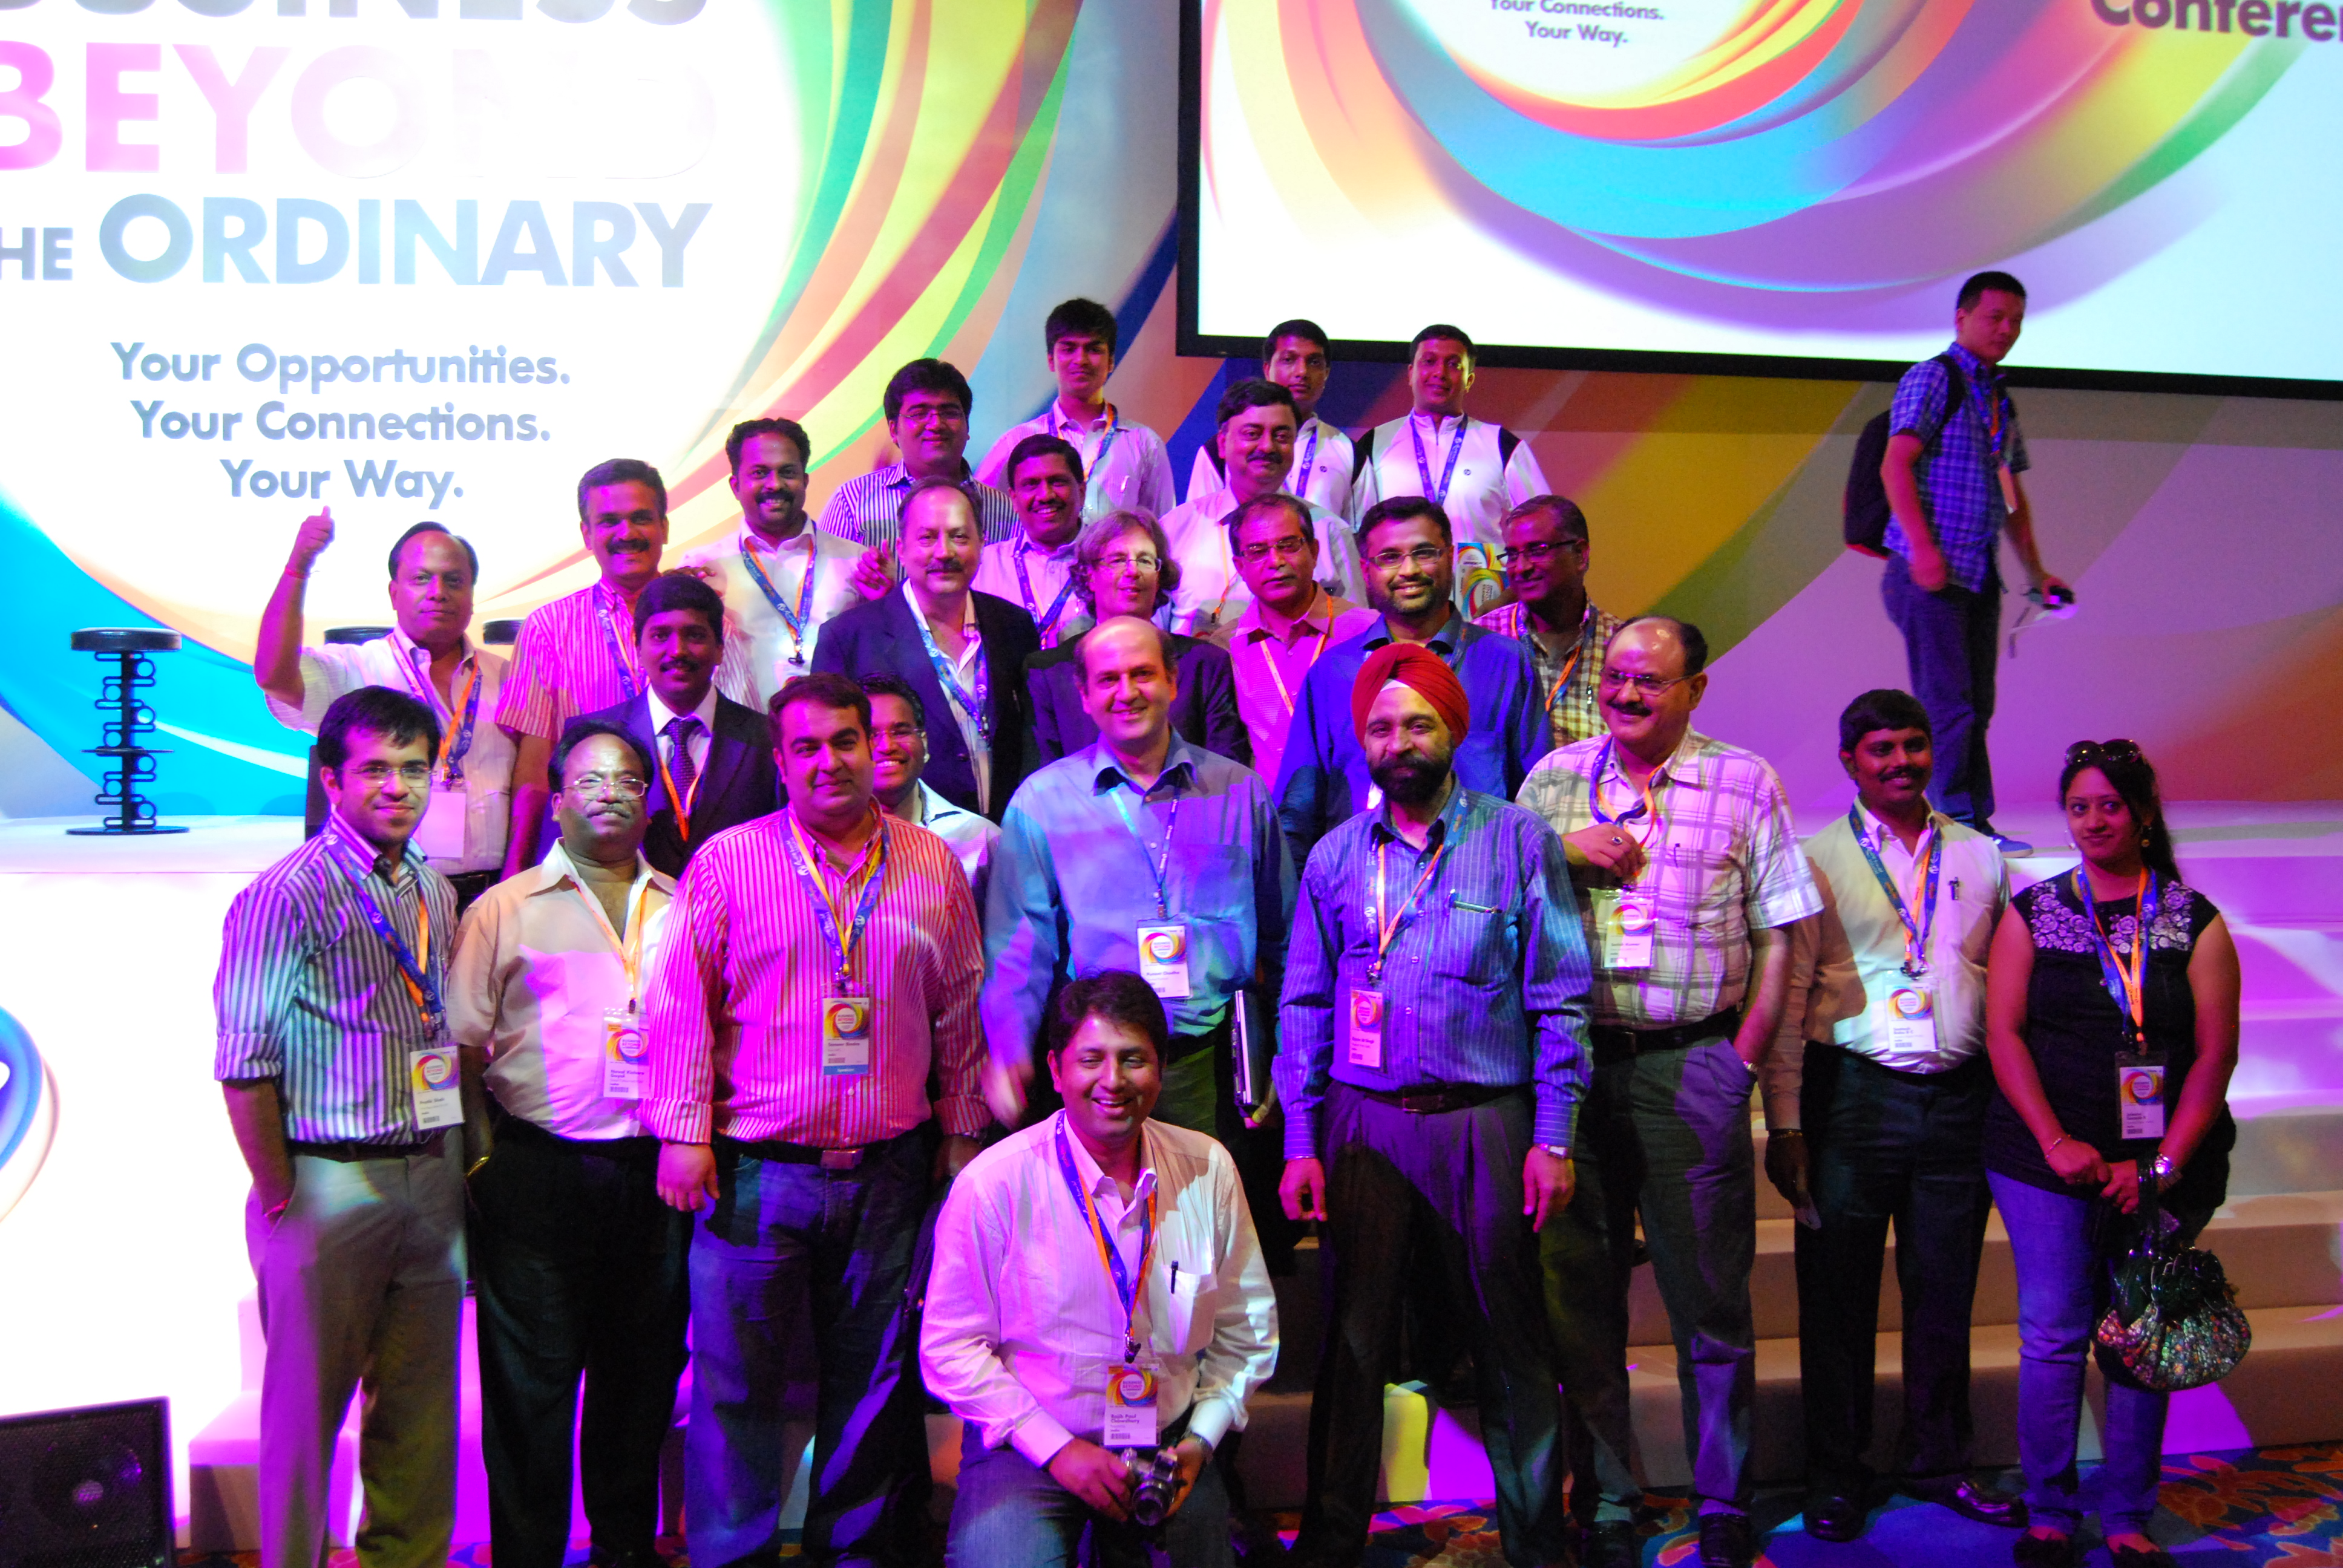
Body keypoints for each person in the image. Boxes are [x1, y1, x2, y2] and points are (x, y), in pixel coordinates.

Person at [640, 671, 990, 1567]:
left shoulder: (931, 863)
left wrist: (961, 1128)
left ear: (874, 748)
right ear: (781, 760)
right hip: (756, 1172)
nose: (829, 762)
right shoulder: (728, 862)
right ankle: (733, 1557)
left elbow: (960, 1003)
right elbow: (679, 1003)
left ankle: (857, 1556)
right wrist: (682, 1131)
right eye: (807, 747)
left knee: (872, 1386)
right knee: (736, 1389)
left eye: (845, 741)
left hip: (889, 1172)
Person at [1513, 616, 1821, 1568]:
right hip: (1571, 1073)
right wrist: (1562, 851)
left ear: (1696, 688)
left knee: (1711, 1301)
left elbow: (1779, 933)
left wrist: (1744, 1060)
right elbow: (1506, 904)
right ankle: (1609, 1498)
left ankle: (1723, 1498)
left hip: (1692, 1068)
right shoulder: (1552, 782)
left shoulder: (1745, 780)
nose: (1627, 694)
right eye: (1617, 677)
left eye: (1651, 680)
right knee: (1582, 1305)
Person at [1274, 643, 1589, 1568]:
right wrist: (1301, 1141)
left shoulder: (1518, 839)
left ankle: (1537, 1545)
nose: (1399, 742)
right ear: (1361, 743)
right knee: (1353, 1346)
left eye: (1418, 724)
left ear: (1453, 730)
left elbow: (1560, 995)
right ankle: (1330, 1546)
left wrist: (1555, 1136)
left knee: (1511, 1344)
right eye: (1381, 728)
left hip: (1484, 1122)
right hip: (1363, 1124)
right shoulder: (1335, 856)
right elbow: (1304, 1005)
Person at [1760, 690, 2021, 1543]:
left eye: (1914, 745)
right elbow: (1789, 1000)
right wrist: (1786, 1124)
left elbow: (2001, 986)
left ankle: (1939, 1461)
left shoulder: (1981, 855)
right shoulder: (1815, 860)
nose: (1901, 762)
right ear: (1849, 761)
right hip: (1851, 1097)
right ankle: (1837, 1474)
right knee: (1836, 1297)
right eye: (1882, 749)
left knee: (1943, 1292)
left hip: (1957, 1099)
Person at [214, 685, 466, 1568]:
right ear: (330, 778)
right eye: (375, 770)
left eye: (414, 769)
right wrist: (284, 1195)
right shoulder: (283, 895)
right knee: (303, 1418)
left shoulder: (432, 888)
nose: (397, 787)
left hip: (428, 1170)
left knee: (420, 1417)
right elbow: (244, 1064)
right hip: (324, 1179)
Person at [1982, 740, 2239, 1568]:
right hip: (2044, 1162)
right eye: (2079, 807)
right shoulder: (2034, 911)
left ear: (2143, 814)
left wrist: (2159, 1170)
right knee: (2053, 1333)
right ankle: (2049, 1514)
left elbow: (2215, 1056)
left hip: (2161, 1169)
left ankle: (2128, 1514)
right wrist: (2056, 1142)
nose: (2093, 821)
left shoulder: (2193, 919)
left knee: (2140, 1331)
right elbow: (2003, 1034)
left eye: (2110, 806)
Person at [924, 971, 1279, 1568]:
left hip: (1166, 1444)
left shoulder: (1207, 1169)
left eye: (1132, 1059)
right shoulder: (994, 1183)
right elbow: (949, 1347)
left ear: (1161, 1069)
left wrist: (1200, 1441)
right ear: (1056, 1069)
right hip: (1029, 1444)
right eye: (1091, 1060)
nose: (1113, 1081)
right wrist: (1058, 1451)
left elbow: (1247, 1332)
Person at [448, 718, 687, 1568]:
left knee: (639, 1383)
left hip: (653, 1176)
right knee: (530, 1392)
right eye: (589, 780)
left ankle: (623, 1551)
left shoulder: (685, 906)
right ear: (556, 803)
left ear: (648, 802)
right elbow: (460, 1050)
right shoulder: (504, 909)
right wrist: (481, 1162)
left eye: (627, 781)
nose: (609, 795)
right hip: (536, 1171)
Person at [986, 613, 1296, 1249]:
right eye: (1108, 680)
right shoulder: (1043, 802)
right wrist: (1009, 1048)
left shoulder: (1238, 792)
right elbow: (1020, 948)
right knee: (1107, 1249)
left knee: (1206, 1251)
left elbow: (1285, 941)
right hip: (1101, 1076)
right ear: (1083, 695)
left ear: (1172, 681)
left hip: (1211, 1068)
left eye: (1142, 674)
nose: (1126, 692)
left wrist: (1289, 1063)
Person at [1880, 271, 2071, 851]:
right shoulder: (1934, 377)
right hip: (1931, 572)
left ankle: (1970, 825)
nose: (2007, 329)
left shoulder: (1996, 395)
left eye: (2017, 320)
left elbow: (2010, 495)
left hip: (1978, 571)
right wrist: (1923, 549)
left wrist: (2036, 574)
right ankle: (1960, 828)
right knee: (1949, 707)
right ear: (1961, 318)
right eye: (1995, 317)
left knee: (1975, 706)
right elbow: (1895, 463)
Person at [1273, 495, 1549, 873]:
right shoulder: (1334, 672)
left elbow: (1537, 797)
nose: (1409, 570)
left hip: (1480, 880)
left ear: (1450, 556)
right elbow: (1298, 810)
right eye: (1389, 557)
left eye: (1424, 553)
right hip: (1360, 886)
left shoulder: (1504, 662)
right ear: (1366, 569)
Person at [256, 512, 514, 910]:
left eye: (454, 580)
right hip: (385, 896)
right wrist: (298, 568)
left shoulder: (509, 678)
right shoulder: (353, 669)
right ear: (394, 594)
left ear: (471, 594)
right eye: (421, 579)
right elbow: (274, 676)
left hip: (493, 895)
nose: (438, 592)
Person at [813, 476, 1043, 822]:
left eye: (959, 536)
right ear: (902, 548)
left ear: (982, 543)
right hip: (901, 838)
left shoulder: (1013, 625)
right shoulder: (848, 638)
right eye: (927, 538)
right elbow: (829, 755)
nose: (944, 552)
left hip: (1008, 830)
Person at [498, 459, 673, 875]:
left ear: (664, 527)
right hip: (587, 852)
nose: (627, 534)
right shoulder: (548, 629)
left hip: (690, 841)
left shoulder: (707, 624)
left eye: (641, 518)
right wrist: (517, 873)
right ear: (587, 534)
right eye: (609, 521)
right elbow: (534, 773)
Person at [581, 572, 778, 878]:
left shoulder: (767, 739)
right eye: (660, 636)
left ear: (720, 648)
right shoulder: (591, 740)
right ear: (638, 646)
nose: (678, 651)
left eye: (695, 635)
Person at [1024, 510, 1251, 767]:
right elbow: (1040, 777)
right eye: (1117, 560)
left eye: (1145, 560)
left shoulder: (1205, 664)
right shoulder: (1048, 672)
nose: (1133, 571)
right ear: (1089, 576)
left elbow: (1228, 771)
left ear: (1160, 577)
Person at [1351, 324, 1548, 610]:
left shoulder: (1501, 444)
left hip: (1481, 603)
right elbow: (1357, 534)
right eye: (1429, 361)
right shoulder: (1374, 445)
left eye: (1454, 365)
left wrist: (1508, 596)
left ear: (1469, 379)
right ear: (1410, 373)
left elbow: (1543, 530)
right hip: (1399, 599)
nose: (1440, 373)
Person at [683, 417, 868, 714]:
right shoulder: (702, 568)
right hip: (739, 733)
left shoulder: (855, 562)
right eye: (759, 473)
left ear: (805, 480)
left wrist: (884, 599)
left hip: (833, 731)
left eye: (788, 473)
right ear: (735, 486)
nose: (775, 484)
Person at [1159, 378, 1363, 639]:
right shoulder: (1176, 528)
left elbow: (1356, 632)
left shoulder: (1329, 530)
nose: (1267, 447)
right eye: (1252, 434)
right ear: (1222, 443)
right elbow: (1152, 631)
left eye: (1281, 436)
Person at [1211, 494, 1380, 791]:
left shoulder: (1369, 631)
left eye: (1288, 545)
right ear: (1240, 566)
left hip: (1358, 808)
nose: (1275, 561)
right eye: (1257, 551)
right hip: (1273, 814)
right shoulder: (1226, 648)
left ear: (1314, 552)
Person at [975, 298, 1177, 520]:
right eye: (1069, 349)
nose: (1081, 360)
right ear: (1051, 360)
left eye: (1093, 349)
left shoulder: (1144, 444)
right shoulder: (1016, 442)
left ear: (1111, 361)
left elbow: (1163, 527)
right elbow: (979, 514)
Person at [820, 358, 1019, 552]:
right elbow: (821, 572)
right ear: (894, 430)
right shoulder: (851, 503)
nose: (936, 424)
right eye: (919, 414)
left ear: (967, 426)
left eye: (949, 413)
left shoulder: (1005, 511)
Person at [1472, 497, 1620, 748]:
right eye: (1512, 555)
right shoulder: (1480, 639)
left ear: (1580, 554)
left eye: (1537, 550)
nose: (1521, 568)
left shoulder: (1620, 645)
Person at [1185, 319, 1355, 520]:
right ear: (1267, 369)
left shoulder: (1349, 452)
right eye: (1289, 360)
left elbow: (1359, 533)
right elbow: (1200, 521)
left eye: (1314, 362)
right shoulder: (1220, 449)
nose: (1302, 372)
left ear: (1326, 373)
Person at [862, 671, 1001, 906]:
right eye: (871, 735)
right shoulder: (827, 843)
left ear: (924, 744)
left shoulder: (979, 839)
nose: (887, 746)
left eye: (901, 732)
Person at [972, 433, 1090, 649]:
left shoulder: (1109, 560)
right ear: (1014, 499)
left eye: (1057, 482)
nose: (1045, 495)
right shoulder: (983, 567)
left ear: (1082, 492)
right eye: (1031, 485)